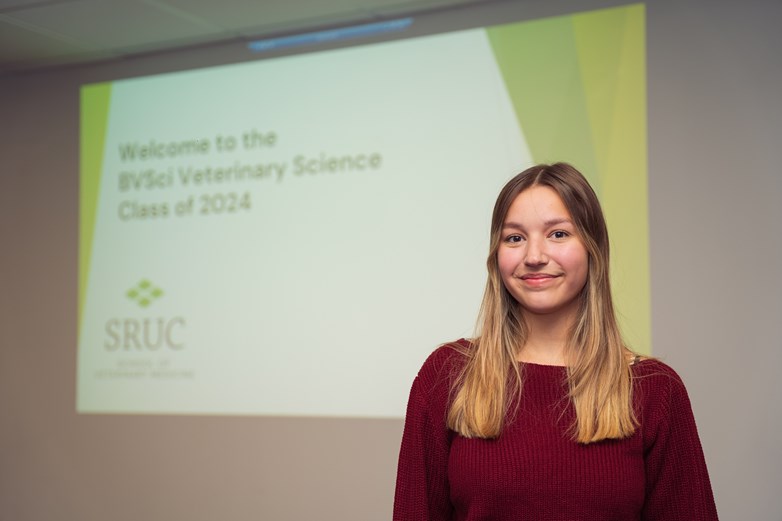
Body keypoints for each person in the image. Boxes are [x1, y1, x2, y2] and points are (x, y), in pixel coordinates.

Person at [393, 163, 718, 520]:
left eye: (558, 234)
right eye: (514, 238)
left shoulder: (656, 390)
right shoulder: (446, 375)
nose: (534, 257)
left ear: (593, 249)